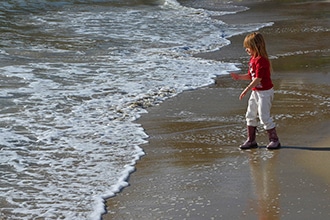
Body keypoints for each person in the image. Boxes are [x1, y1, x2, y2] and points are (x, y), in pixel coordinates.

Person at [231, 32, 280, 150]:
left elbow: (258, 78)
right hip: (256, 92)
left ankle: (274, 140)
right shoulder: (253, 60)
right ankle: (251, 140)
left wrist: (246, 89)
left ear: (256, 46)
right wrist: (239, 77)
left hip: (265, 93)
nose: (246, 50)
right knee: (250, 114)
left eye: (248, 47)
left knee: (264, 116)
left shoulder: (262, 61)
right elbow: (251, 76)